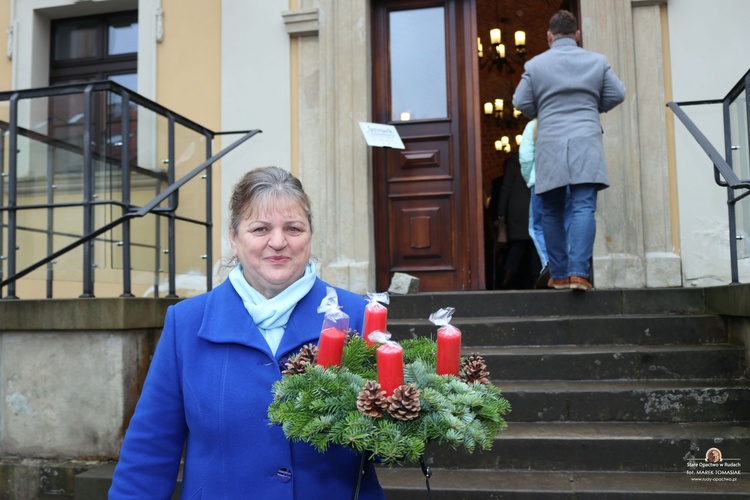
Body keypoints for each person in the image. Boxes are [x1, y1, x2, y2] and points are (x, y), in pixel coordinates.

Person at [109, 166, 384, 499]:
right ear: (234, 239)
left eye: (293, 228)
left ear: (309, 236)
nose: (278, 242)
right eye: (261, 228)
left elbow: (384, 443)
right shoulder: (187, 322)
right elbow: (150, 450)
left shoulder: (357, 315)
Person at [512, 10, 626, 291]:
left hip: (550, 143)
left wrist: (546, 110)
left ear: (549, 37)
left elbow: (520, 101)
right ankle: (579, 274)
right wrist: (590, 107)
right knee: (583, 207)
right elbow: (618, 94)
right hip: (586, 140)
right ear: (577, 36)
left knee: (550, 210)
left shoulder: (536, 65)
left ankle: (560, 275)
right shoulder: (596, 61)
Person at [518, 118, 572, 289]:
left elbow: (525, 158)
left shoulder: (534, 125)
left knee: (538, 226)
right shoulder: (568, 123)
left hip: (541, 182)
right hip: (569, 181)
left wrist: (530, 179)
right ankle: (571, 268)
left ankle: (551, 264)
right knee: (568, 223)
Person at [496, 151, 538, 289]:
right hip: (533, 204)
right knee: (535, 246)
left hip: (516, 208)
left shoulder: (512, 161)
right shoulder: (538, 157)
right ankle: (536, 281)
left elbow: (506, 186)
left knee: (518, 246)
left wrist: (501, 210)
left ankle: (507, 277)